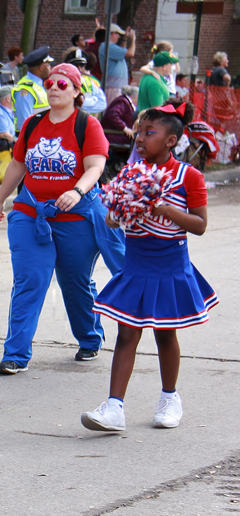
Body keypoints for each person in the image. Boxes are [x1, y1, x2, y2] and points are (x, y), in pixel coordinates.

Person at [82, 101, 217, 431]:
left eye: (149, 132)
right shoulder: (129, 173)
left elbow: (199, 225)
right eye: (139, 132)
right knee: (127, 333)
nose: (140, 138)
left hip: (169, 267)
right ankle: (114, 408)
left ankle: (170, 398)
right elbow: (113, 221)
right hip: (136, 266)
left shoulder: (189, 176)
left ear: (171, 141)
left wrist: (161, 208)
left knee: (164, 334)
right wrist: (118, 213)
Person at [0, 63, 124, 375]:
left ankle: (90, 338)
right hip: (31, 213)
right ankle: (15, 354)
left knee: (74, 281)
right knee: (30, 280)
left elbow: (95, 166)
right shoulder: (32, 123)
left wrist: (77, 191)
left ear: (77, 91)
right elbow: (17, 165)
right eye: (50, 83)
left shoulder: (87, 125)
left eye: (62, 85)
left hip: (76, 216)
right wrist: (1, 199)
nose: (53, 88)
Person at [11, 46, 53, 132]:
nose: (50, 67)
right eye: (48, 64)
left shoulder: (38, 86)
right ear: (41, 67)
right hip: (32, 140)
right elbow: (25, 124)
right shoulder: (25, 89)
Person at [98, 23, 135, 104]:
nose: (119, 37)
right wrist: (133, 40)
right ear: (113, 34)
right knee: (114, 112)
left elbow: (121, 52)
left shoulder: (110, 47)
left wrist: (125, 39)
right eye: (118, 34)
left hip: (116, 87)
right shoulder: (107, 46)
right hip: (113, 88)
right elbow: (130, 54)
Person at [65, 49, 106, 115]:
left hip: (86, 122)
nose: (79, 68)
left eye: (81, 65)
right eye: (75, 65)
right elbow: (67, 104)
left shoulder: (90, 82)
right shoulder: (63, 83)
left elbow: (102, 104)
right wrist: (93, 101)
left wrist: (81, 103)